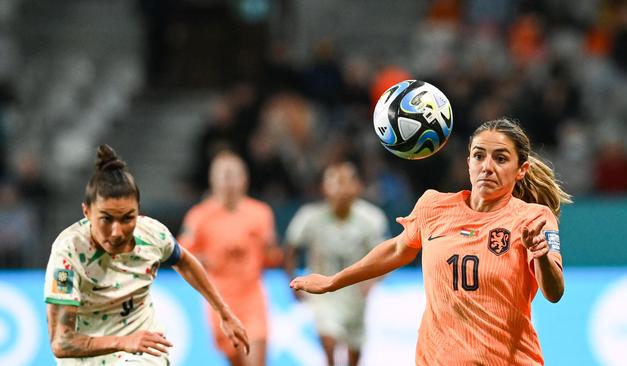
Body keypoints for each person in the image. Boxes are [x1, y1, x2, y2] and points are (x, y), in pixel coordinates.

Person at [290, 118, 572, 365]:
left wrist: (542, 255)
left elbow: (554, 292)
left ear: (520, 169)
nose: (487, 167)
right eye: (478, 156)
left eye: (500, 158)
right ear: (468, 162)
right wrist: (332, 282)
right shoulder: (434, 206)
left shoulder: (534, 218)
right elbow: (397, 250)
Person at [44, 144, 249, 365]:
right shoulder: (68, 253)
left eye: (127, 218)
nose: (117, 232)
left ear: (138, 211)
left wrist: (224, 312)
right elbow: (61, 342)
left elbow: (185, 261)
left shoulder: (152, 234)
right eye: (106, 219)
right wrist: (123, 341)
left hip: (142, 354)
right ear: (87, 211)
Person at [179, 150, 282, 366]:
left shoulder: (260, 213)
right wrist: (207, 259)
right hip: (220, 302)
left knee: (255, 356)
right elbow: (183, 257)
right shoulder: (199, 217)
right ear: (212, 180)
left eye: (233, 175)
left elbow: (272, 257)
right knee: (236, 360)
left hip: (252, 298)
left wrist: (270, 251)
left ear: (244, 179)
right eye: (223, 176)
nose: (229, 182)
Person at [285, 162, 389, 366]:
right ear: (324, 188)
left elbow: (385, 254)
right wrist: (291, 281)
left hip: (354, 294)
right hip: (323, 291)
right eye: (334, 182)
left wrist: (372, 282)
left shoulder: (371, 218)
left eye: (346, 182)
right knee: (328, 337)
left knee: (354, 350)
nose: (340, 189)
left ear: (358, 187)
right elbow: (290, 249)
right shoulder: (310, 217)